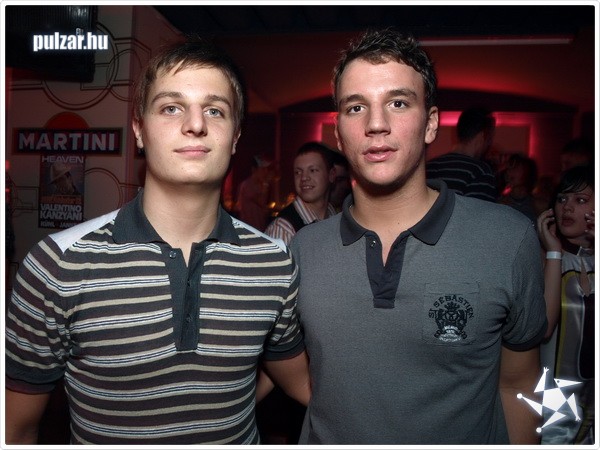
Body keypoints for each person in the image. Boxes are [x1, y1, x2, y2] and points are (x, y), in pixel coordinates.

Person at [5, 36, 310, 445]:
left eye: (215, 110)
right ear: (139, 130)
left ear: (235, 136)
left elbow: (296, 377)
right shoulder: (58, 264)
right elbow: (15, 428)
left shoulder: (273, 261)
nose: (195, 124)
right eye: (171, 108)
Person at [290, 27, 547, 445]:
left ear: (430, 124)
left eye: (398, 103)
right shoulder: (304, 248)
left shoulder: (507, 239)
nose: (376, 124)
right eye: (356, 107)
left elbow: (520, 384)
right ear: (338, 133)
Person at [536, 165, 595, 445]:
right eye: (562, 198)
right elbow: (544, 328)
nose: (567, 207)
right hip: (553, 405)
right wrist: (553, 253)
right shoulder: (542, 256)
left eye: (580, 200)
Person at [265, 141, 337, 244]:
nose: (304, 178)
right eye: (298, 172)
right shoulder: (284, 229)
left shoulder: (333, 215)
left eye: (312, 170)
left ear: (331, 175)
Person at [426, 105, 498, 202]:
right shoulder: (481, 172)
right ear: (482, 136)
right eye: (490, 138)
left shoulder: (429, 167)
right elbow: (480, 211)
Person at [234, 153, 275, 231]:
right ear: (254, 169)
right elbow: (262, 202)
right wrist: (266, 183)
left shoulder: (260, 185)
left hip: (258, 229)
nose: (266, 172)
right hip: (249, 231)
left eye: (266, 169)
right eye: (262, 169)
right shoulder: (248, 185)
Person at [498, 153, 539, 224]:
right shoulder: (501, 202)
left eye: (515, 168)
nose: (509, 172)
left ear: (527, 171)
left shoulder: (537, 204)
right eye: (508, 168)